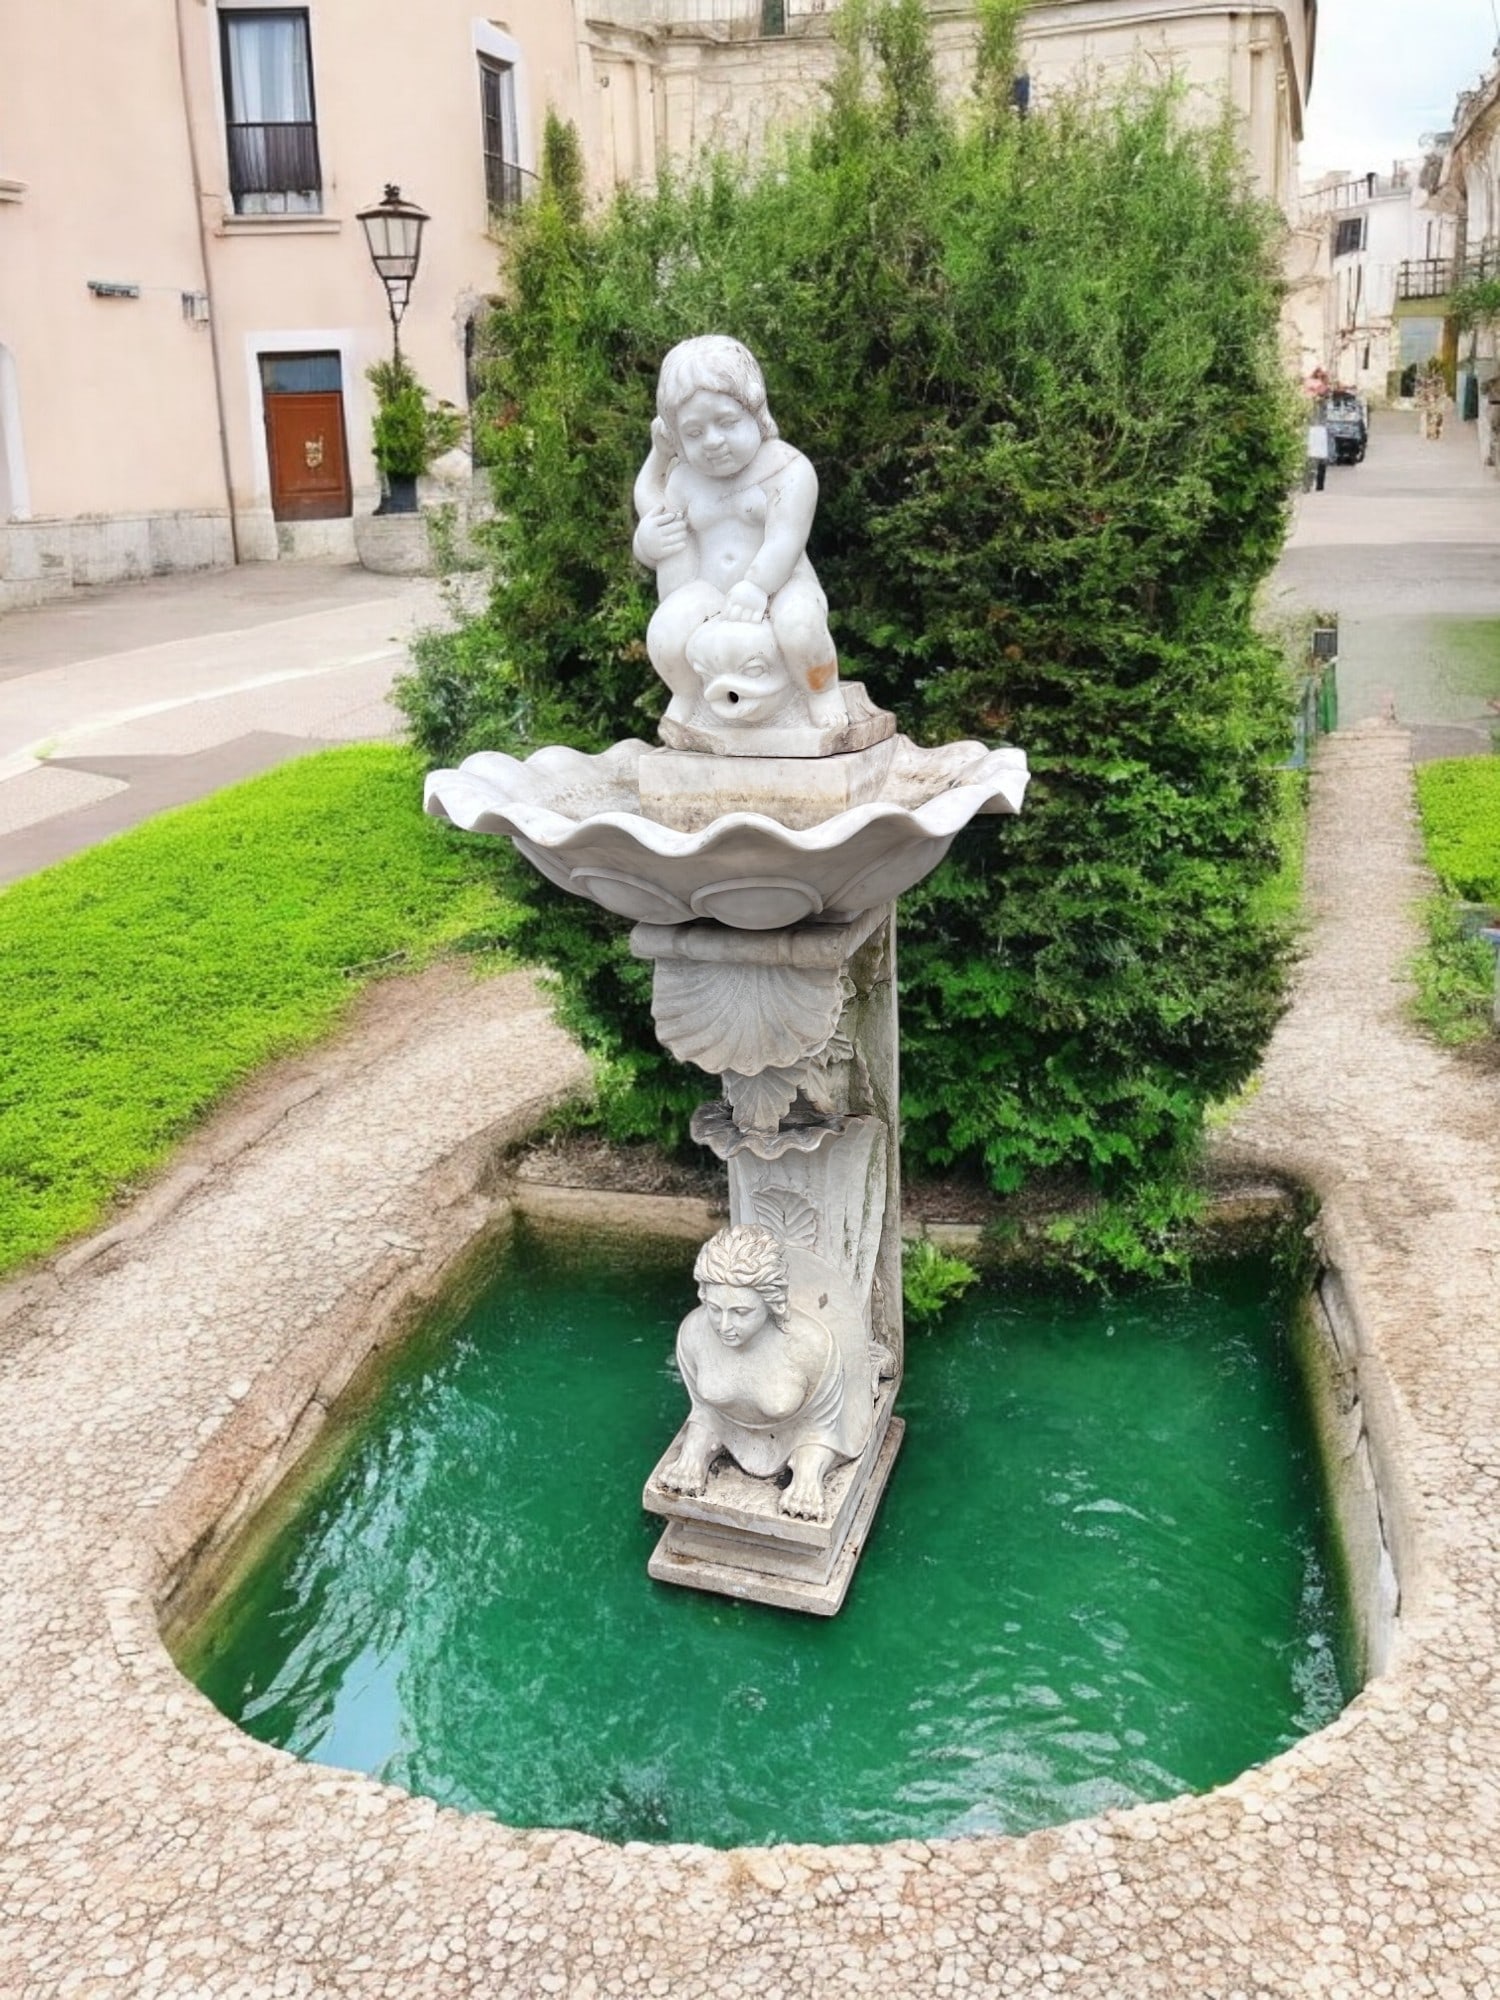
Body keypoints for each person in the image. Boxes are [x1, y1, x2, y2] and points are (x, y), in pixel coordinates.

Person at [633, 336, 844, 731]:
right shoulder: (684, 480)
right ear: (676, 437)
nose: (712, 441)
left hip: (781, 585)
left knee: (800, 627)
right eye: (693, 433)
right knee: (664, 632)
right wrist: (646, 542)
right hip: (709, 590)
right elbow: (654, 509)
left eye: (727, 423)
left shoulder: (787, 468)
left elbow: (786, 539)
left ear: (754, 413)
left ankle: (821, 690)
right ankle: (686, 693)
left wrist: (756, 586)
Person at [658, 1223, 873, 1521]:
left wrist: (808, 1474)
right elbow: (704, 1408)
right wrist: (693, 1452)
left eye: (741, 1312)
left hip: (802, 1430)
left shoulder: (812, 1346)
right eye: (715, 1309)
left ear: (771, 1304)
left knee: (809, 1474)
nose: (724, 1326)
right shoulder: (694, 1333)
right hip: (724, 1423)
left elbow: (825, 1425)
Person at [1305, 412, 1329, 492]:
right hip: (1316, 432)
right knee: (1312, 462)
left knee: (1319, 462)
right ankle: (1310, 485)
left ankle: (1318, 485)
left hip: (1319, 432)